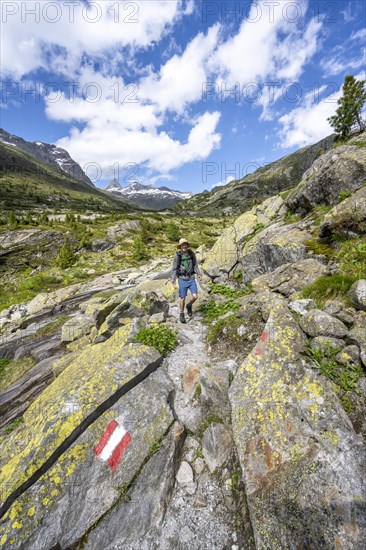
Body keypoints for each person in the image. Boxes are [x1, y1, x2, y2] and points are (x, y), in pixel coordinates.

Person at [171, 238, 202, 323]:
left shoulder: (191, 254)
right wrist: (173, 280)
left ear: (187, 245)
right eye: (182, 245)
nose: (184, 246)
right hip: (182, 279)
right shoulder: (178, 256)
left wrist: (199, 274)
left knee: (195, 296)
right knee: (182, 298)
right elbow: (174, 268)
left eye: (185, 244)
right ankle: (181, 313)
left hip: (191, 278)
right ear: (180, 246)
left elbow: (195, 265)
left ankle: (189, 305)